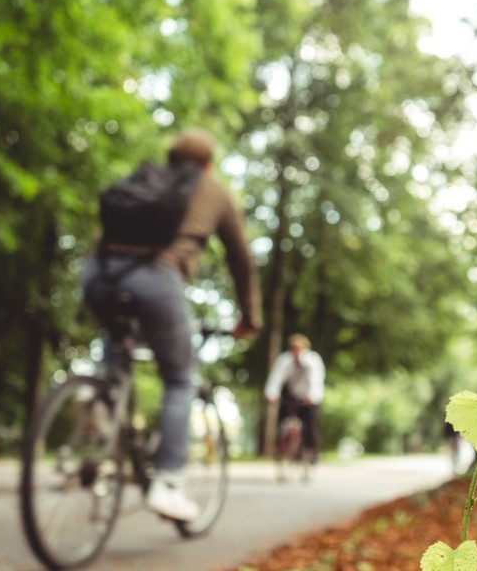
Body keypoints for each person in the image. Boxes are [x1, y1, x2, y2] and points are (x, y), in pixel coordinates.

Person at [81, 128, 260, 521]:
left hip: (99, 272)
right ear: (208, 164)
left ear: (171, 158)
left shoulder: (146, 178)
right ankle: (169, 483)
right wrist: (249, 317)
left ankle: (100, 396)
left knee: (119, 339)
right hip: (156, 278)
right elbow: (241, 259)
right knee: (180, 379)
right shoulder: (214, 190)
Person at [264, 333, 326, 465]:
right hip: (291, 394)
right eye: (294, 349)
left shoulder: (313, 360)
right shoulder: (284, 360)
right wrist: (272, 394)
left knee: (310, 422)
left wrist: (313, 397)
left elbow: (316, 380)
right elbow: (275, 379)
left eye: (299, 349)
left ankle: (312, 449)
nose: (296, 352)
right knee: (282, 417)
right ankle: (281, 445)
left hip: (308, 396)